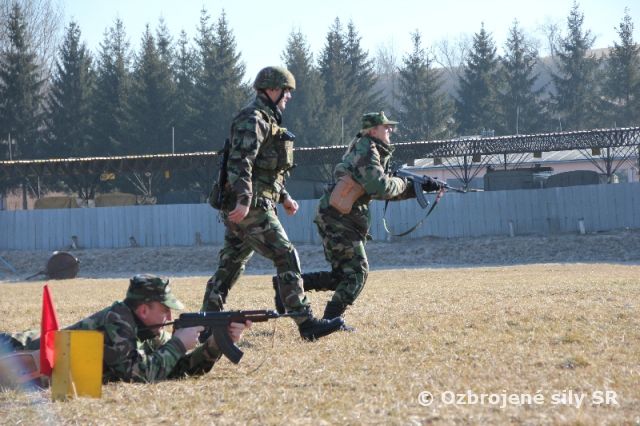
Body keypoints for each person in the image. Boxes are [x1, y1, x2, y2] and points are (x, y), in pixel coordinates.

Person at [202, 66, 343, 341]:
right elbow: (240, 163)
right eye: (286, 91)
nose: (288, 96)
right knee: (285, 255)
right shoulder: (253, 118)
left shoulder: (266, 119)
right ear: (272, 90)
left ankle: (205, 323)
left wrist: (284, 197)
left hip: (251, 204)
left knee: (230, 266)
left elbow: (264, 172)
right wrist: (244, 200)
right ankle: (306, 323)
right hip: (251, 208)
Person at [273, 111, 444, 329]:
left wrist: (419, 187)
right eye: (385, 127)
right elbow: (380, 187)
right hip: (338, 218)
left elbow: (379, 189)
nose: (390, 130)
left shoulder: (371, 150)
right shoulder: (367, 150)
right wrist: (404, 182)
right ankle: (331, 321)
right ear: (373, 131)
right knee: (357, 273)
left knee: (341, 277)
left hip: (338, 216)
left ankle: (286, 286)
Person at [0, 274, 251, 383]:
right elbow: (137, 374)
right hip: (16, 351)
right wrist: (177, 344)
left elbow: (175, 369)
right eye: (164, 309)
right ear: (143, 310)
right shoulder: (118, 320)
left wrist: (215, 345)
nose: (169, 316)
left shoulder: (148, 330)